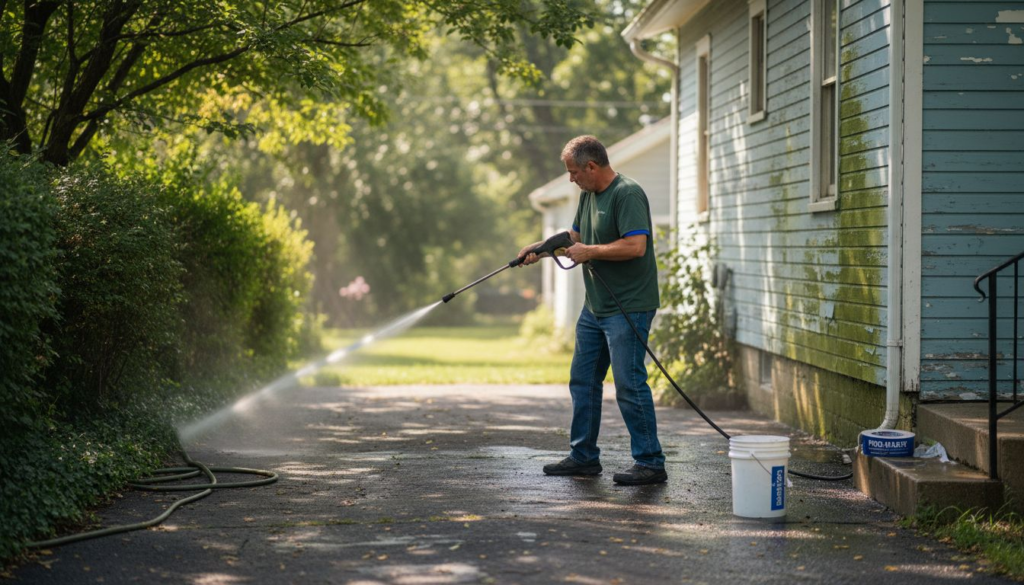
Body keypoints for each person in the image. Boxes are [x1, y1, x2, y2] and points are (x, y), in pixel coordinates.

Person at [517, 135, 666, 486]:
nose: (571, 179)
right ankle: (583, 457)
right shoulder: (588, 195)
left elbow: (635, 246)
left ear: (592, 166)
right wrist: (541, 248)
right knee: (583, 380)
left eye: (573, 172)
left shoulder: (627, 193)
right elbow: (575, 234)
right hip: (595, 306)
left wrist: (591, 252)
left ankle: (651, 462)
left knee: (629, 384)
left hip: (628, 306)